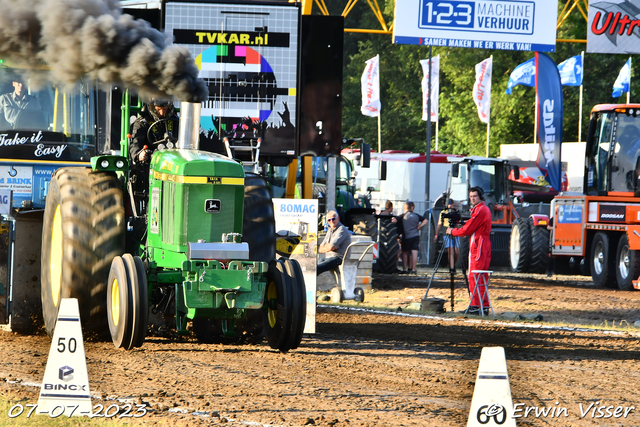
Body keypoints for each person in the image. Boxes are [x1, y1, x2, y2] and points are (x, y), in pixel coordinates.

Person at [446, 187, 492, 314]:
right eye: (471, 196)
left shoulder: (480, 210)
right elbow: (472, 225)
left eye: (475, 196)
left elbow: (468, 229)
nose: (472, 198)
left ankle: (476, 306)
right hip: (482, 244)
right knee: (480, 276)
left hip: (479, 245)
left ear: (480, 196)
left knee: (474, 276)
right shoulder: (481, 209)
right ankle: (482, 306)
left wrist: (453, 231)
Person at [129, 98, 179, 166]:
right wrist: (139, 154)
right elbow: (135, 143)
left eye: (165, 109)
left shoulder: (176, 121)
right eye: (159, 109)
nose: (162, 113)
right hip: (150, 163)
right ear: (153, 108)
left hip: (174, 161)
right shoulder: (142, 123)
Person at [392, 201, 427, 274]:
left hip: (406, 236)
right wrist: (419, 226)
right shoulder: (416, 215)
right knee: (414, 252)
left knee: (404, 252)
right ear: (412, 207)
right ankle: (413, 270)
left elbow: (394, 220)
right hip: (415, 236)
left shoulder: (403, 215)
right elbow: (426, 220)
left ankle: (405, 269)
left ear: (405, 208)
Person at [317, 211, 352, 276]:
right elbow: (319, 249)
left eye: (333, 219)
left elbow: (331, 247)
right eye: (329, 220)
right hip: (329, 256)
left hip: (339, 258)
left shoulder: (342, 230)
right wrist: (329, 247)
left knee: (317, 268)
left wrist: (329, 247)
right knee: (313, 268)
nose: (331, 221)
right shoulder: (330, 230)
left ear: (338, 218)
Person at [434, 199, 460, 272]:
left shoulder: (455, 211)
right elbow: (439, 224)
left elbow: (458, 222)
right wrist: (436, 235)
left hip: (455, 231)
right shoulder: (443, 213)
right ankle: (451, 268)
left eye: (451, 204)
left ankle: (453, 264)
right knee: (450, 250)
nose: (450, 205)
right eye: (449, 204)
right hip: (447, 231)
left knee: (456, 251)